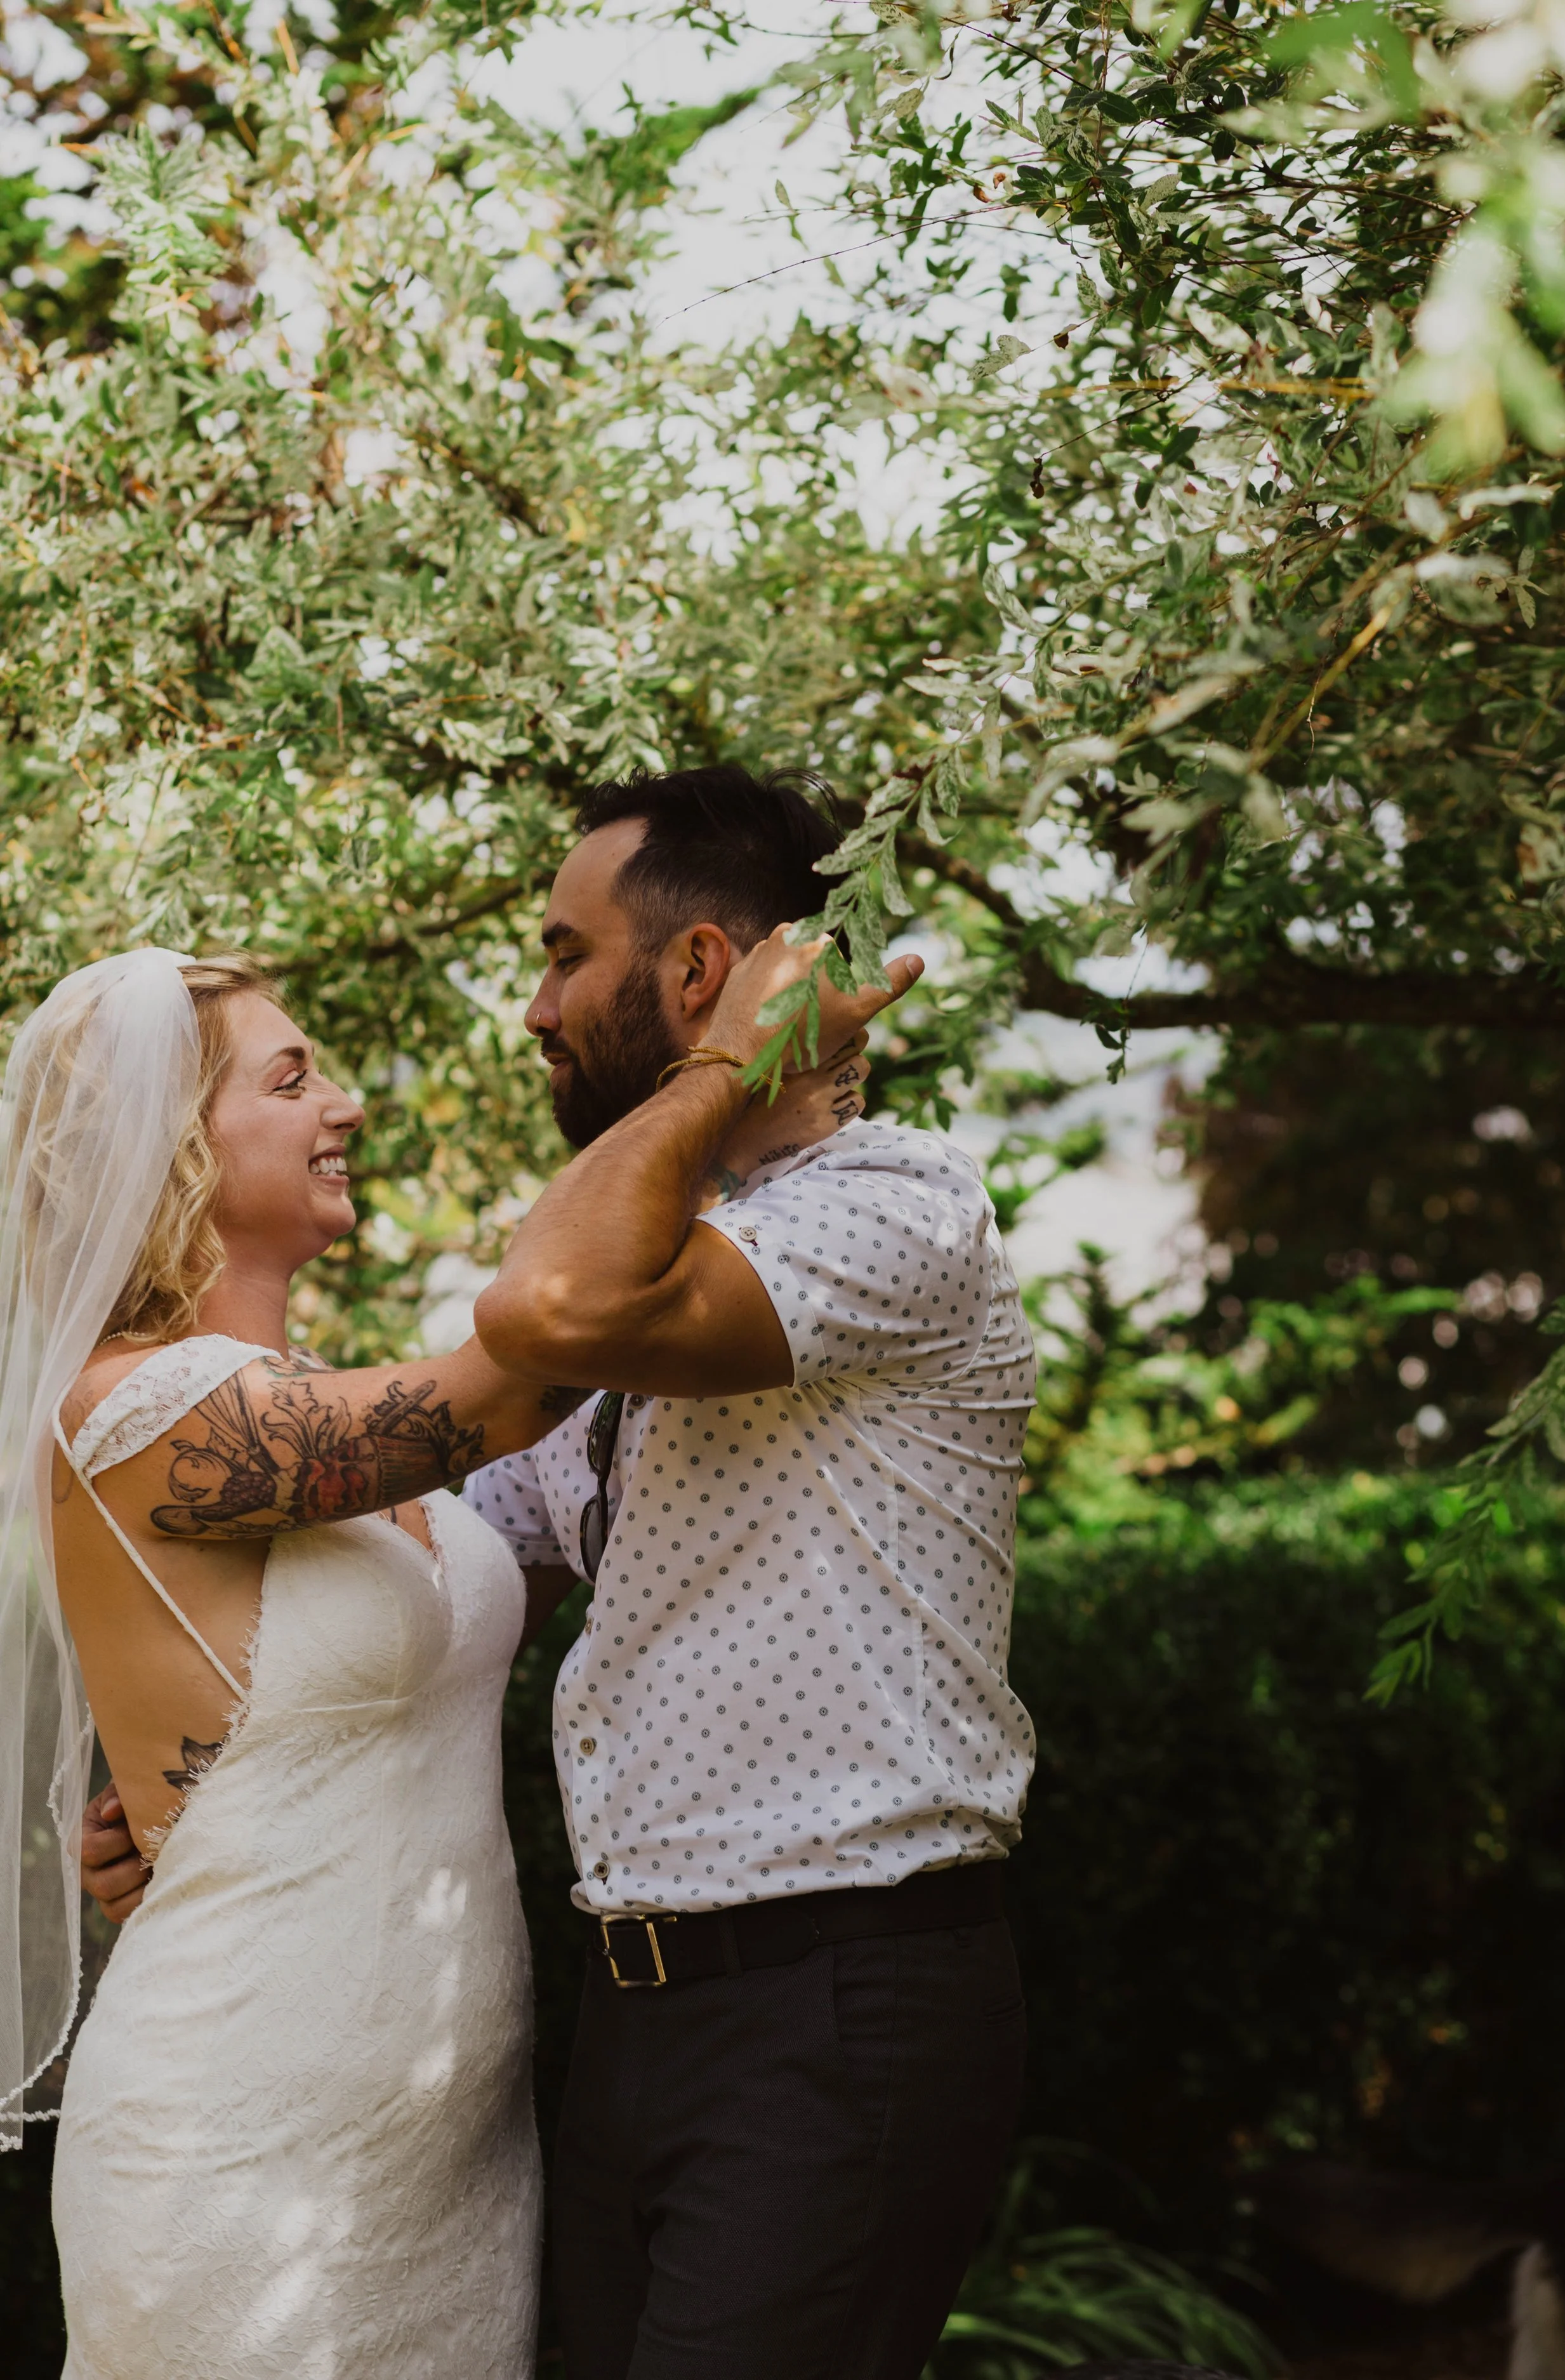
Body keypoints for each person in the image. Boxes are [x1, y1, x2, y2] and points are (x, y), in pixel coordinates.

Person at [32, 940, 873, 2379]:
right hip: (234, 2147)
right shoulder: (131, 1406)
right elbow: (539, 1354)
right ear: (167, 1143)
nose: (345, 1103)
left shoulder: (325, 1405)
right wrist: (728, 1062)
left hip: (453, 2165)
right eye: (292, 1079)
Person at [464, 765, 1039, 2380]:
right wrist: (217, 1779)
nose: (534, 1006)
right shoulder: (670, 1263)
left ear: (704, 972)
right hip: (634, 2016)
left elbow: (540, 1317)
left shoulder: (894, 1209)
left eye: (566, 953)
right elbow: (450, 1560)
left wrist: (721, 1073)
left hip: (834, 2003)